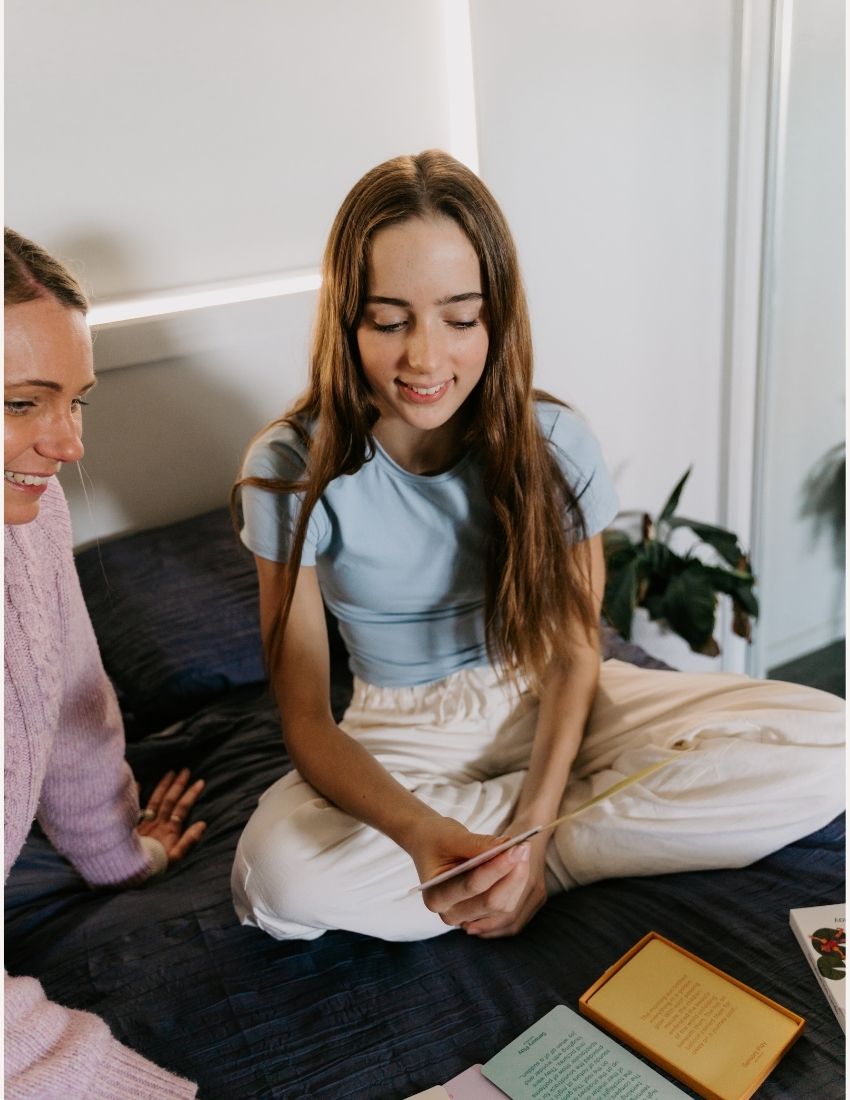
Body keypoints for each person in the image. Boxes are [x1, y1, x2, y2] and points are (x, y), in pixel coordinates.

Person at [230, 150, 844, 944]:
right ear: (347, 317)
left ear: (497, 316)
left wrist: (540, 826)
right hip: (399, 734)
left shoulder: (554, 443)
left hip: (549, 700)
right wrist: (418, 835)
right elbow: (308, 717)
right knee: (276, 876)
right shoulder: (286, 469)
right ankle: (516, 845)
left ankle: (530, 863)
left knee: (835, 749)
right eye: (389, 320)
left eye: (459, 318)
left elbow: (574, 654)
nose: (425, 357)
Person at [4, 228, 204, 1099]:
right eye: (22, 403)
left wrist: (118, 852)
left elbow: (69, 696)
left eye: (76, 400)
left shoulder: (31, 514)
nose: (68, 443)